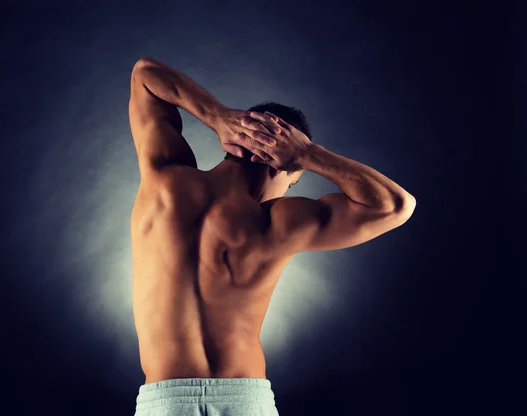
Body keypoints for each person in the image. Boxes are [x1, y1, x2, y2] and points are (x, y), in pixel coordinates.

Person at [129, 57, 416, 416]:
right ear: (282, 166)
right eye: (293, 176)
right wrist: (310, 155)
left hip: (165, 402)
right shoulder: (278, 223)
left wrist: (217, 116)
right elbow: (396, 206)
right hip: (245, 401)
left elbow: (145, 75)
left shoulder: (163, 181)